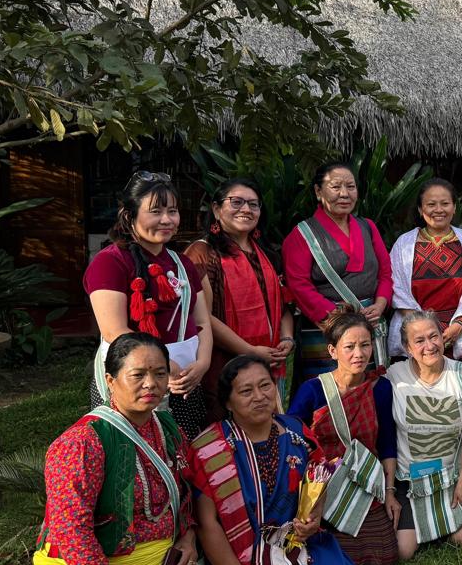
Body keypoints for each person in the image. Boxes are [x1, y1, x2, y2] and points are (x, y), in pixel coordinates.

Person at [24, 333, 207, 565]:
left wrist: (188, 538)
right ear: (110, 381)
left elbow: (184, 493)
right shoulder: (81, 443)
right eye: (137, 374)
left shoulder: (167, 429)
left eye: (159, 373)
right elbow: (68, 526)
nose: (151, 384)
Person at [191, 356, 361, 565]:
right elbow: (207, 524)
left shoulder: (296, 432)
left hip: (290, 548)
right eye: (246, 391)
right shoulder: (211, 449)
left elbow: (316, 480)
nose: (259, 396)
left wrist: (312, 519)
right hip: (239, 559)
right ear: (229, 402)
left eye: (265, 385)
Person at [84, 172, 213, 439]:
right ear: (129, 215)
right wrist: (166, 367)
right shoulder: (110, 262)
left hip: (185, 382)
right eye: (156, 211)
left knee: (184, 452)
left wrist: (202, 363)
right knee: (133, 457)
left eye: (173, 211)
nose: (167, 219)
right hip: (137, 380)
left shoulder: (182, 263)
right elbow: (114, 331)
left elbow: (202, 321)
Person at [287, 308, 397, 565]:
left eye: (365, 345)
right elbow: (293, 442)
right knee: (335, 563)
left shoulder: (380, 389)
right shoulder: (312, 390)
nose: (358, 354)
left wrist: (391, 492)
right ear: (333, 351)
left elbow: (387, 442)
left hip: (364, 485)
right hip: (323, 490)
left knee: (382, 558)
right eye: (349, 347)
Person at [185, 178, 294, 409]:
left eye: (253, 204)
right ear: (216, 209)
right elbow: (202, 316)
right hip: (222, 363)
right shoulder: (202, 253)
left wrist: (286, 338)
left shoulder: (267, 254)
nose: (245, 209)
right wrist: (250, 351)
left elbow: (283, 306)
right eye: (236, 202)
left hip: (269, 361)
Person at [385, 311, 462, 559]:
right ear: (407, 348)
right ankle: (430, 522)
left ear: (443, 338)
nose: (429, 346)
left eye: (434, 336)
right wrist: (388, 489)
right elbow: (385, 435)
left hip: (451, 476)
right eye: (419, 341)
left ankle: (438, 521)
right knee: (402, 551)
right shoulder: (394, 377)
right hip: (410, 482)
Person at [283, 161, 393, 383]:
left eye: (351, 187)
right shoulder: (302, 234)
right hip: (325, 329)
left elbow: (385, 273)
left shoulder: (368, 227)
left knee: (369, 389)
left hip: (368, 325)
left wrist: (380, 305)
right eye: (335, 187)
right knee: (329, 392)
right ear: (318, 191)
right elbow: (298, 285)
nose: (344, 194)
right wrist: (336, 318)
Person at [389, 178, 462, 363]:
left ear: (454, 207)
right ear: (420, 209)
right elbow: (396, 289)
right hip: (415, 338)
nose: (439, 209)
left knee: (459, 391)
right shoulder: (404, 244)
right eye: (431, 204)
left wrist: (459, 326)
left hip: (458, 336)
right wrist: (424, 331)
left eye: (445, 203)